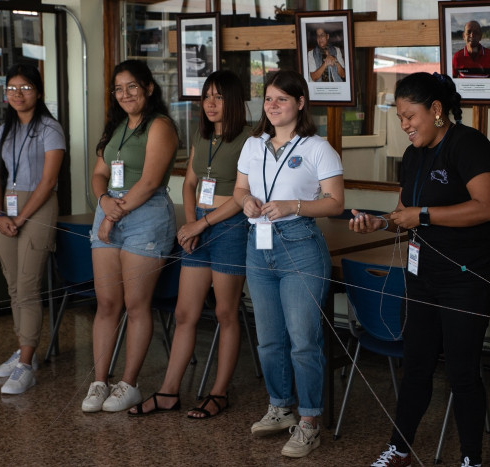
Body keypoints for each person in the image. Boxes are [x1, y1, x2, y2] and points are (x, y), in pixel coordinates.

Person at [351, 72, 490, 467]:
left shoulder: (470, 146)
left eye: (409, 116)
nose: (404, 125)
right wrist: (380, 222)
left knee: (462, 372)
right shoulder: (414, 155)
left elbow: (486, 207)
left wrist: (424, 215)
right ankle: (399, 448)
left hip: (465, 278)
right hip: (423, 276)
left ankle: (471, 459)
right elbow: (404, 213)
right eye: (399, 117)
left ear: (436, 110)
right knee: (414, 366)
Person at [233, 70, 344, 458]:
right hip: (257, 244)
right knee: (269, 339)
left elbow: (334, 203)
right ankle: (280, 407)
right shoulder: (253, 144)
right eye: (268, 99)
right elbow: (240, 188)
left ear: (300, 103)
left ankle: (309, 421)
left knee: (303, 341)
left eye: (282, 98)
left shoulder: (318, 148)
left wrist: (292, 206)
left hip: (299, 244)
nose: (273, 105)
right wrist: (245, 202)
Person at [127, 70, 250, 418]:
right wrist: (191, 222)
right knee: (185, 313)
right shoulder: (201, 134)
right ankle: (168, 392)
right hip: (200, 226)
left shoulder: (249, 139)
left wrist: (201, 222)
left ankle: (219, 392)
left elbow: (244, 196)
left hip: (230, 227)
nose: (210, 103)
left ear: (234, 101)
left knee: (226, 313)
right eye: (206, 97)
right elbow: (189, 182)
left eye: (219, 97)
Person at [81, 59, 178, 413]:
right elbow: (98, 174)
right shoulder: (117, 127)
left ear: (149, 88)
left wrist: (111, 216)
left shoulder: (160, 125)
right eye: (119, 89)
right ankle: (99, 381)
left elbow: (151, 181)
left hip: (146, 216)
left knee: (136, 306)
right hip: (110, 212)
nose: (125, 94)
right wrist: (105, 203)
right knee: (107, 304)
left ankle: (129, 384)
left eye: (132, 87)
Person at [0, 64, 65, 394]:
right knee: (13, 286)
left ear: (38, 92)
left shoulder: (50, 128)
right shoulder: (1, 131)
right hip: (7, 207)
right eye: (12, 88)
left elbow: (48, 181)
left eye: (25, 88)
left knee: (28, 285)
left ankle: (25, 366)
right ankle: (26, 350)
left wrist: (20, 218)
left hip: (39, 204)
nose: (18, 94)